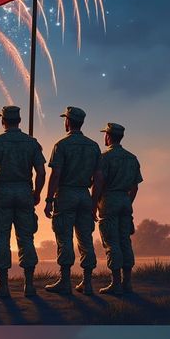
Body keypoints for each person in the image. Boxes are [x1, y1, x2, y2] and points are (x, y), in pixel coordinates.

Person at [0, 104, 46, 297]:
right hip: (25, 191)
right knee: (26, 238)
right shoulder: (31, 143)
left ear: (3, 121)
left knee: (2, 238)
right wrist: (37, 192)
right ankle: (29, 284)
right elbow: (41, 172)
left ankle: (4, 285)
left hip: (2, 192)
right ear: (19, 121)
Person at [45, 105, 103, 295]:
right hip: (85, 195)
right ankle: (87, 282)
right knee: (86, 238)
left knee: (64, 237)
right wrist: (94, 203)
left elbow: (55, 175)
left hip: (66, 195)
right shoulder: (94, 146)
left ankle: (65, 280)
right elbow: (99, 178)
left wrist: (48, 199)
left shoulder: (61, 145)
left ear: (68, 121)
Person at [95, 123, 144, 294]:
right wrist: (128, 203)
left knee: (111, 242)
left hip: (109, 201)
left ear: (108, 136)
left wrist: (94, 202)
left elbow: (99, 182)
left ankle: (115, 283)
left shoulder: (104, 158)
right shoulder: (132, 158)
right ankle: (127, 283)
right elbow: (135, 187)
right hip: (125, 200)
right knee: (125, 241)